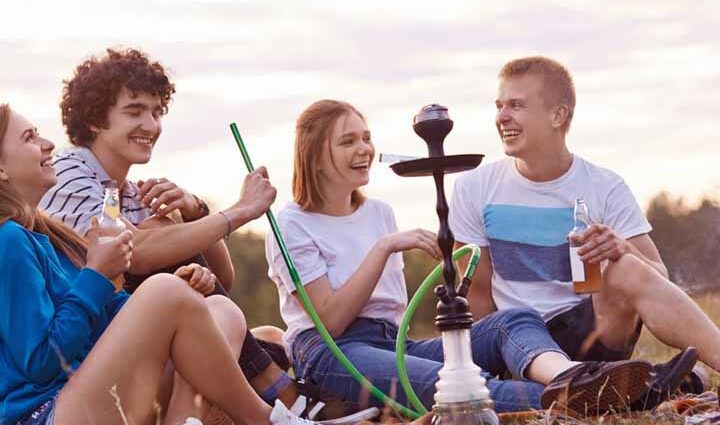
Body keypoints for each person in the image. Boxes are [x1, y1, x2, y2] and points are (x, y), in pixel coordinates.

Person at [264, 99, 677, 415]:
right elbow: (330, 321)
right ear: (315, 155)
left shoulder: (378, 212)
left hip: (393, 342)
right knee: (462, 384)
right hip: (330, 352)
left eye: (366, 137)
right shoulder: (291, 225)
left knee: (513, 321)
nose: (364, 149)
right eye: (348, 141)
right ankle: (622, 398)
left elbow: (389, 309)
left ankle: (572, 378)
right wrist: (384, 248)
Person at [0, 104, 315, 425]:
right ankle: (267, 419)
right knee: (163, 291)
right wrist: (97, 275)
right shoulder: (2, 241)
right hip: (40, 414)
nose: (48, 144)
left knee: (219, 310)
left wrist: (181, 297)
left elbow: (99, 327)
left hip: (81, 398)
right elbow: (43, 362)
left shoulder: (48, 238)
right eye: (29, 138)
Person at [39, 48, 340, 416]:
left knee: (235, 318)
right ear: (95, 120)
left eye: (155, 112)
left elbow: (222, 280)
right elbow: (139, 251)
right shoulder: (67, 172)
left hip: (136, 352)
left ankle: (265, 397)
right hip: (87, 367)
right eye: (134, 111)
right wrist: (239, 212)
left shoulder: (132, 193)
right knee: (170, 246)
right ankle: (283, 395)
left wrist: (194, 209)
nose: (150, 126)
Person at [449, 56, 717, 402]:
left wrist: (622, 248)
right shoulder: (475, 187)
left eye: (516, 105)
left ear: (557, 115)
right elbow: (477, 297)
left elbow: (656, 278)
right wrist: (486, 372)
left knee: (627, 267)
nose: (501, 117)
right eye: (499, 106)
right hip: (519, 340)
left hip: (592, 331)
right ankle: (651, 384)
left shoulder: (605, 186)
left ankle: (657, 375)